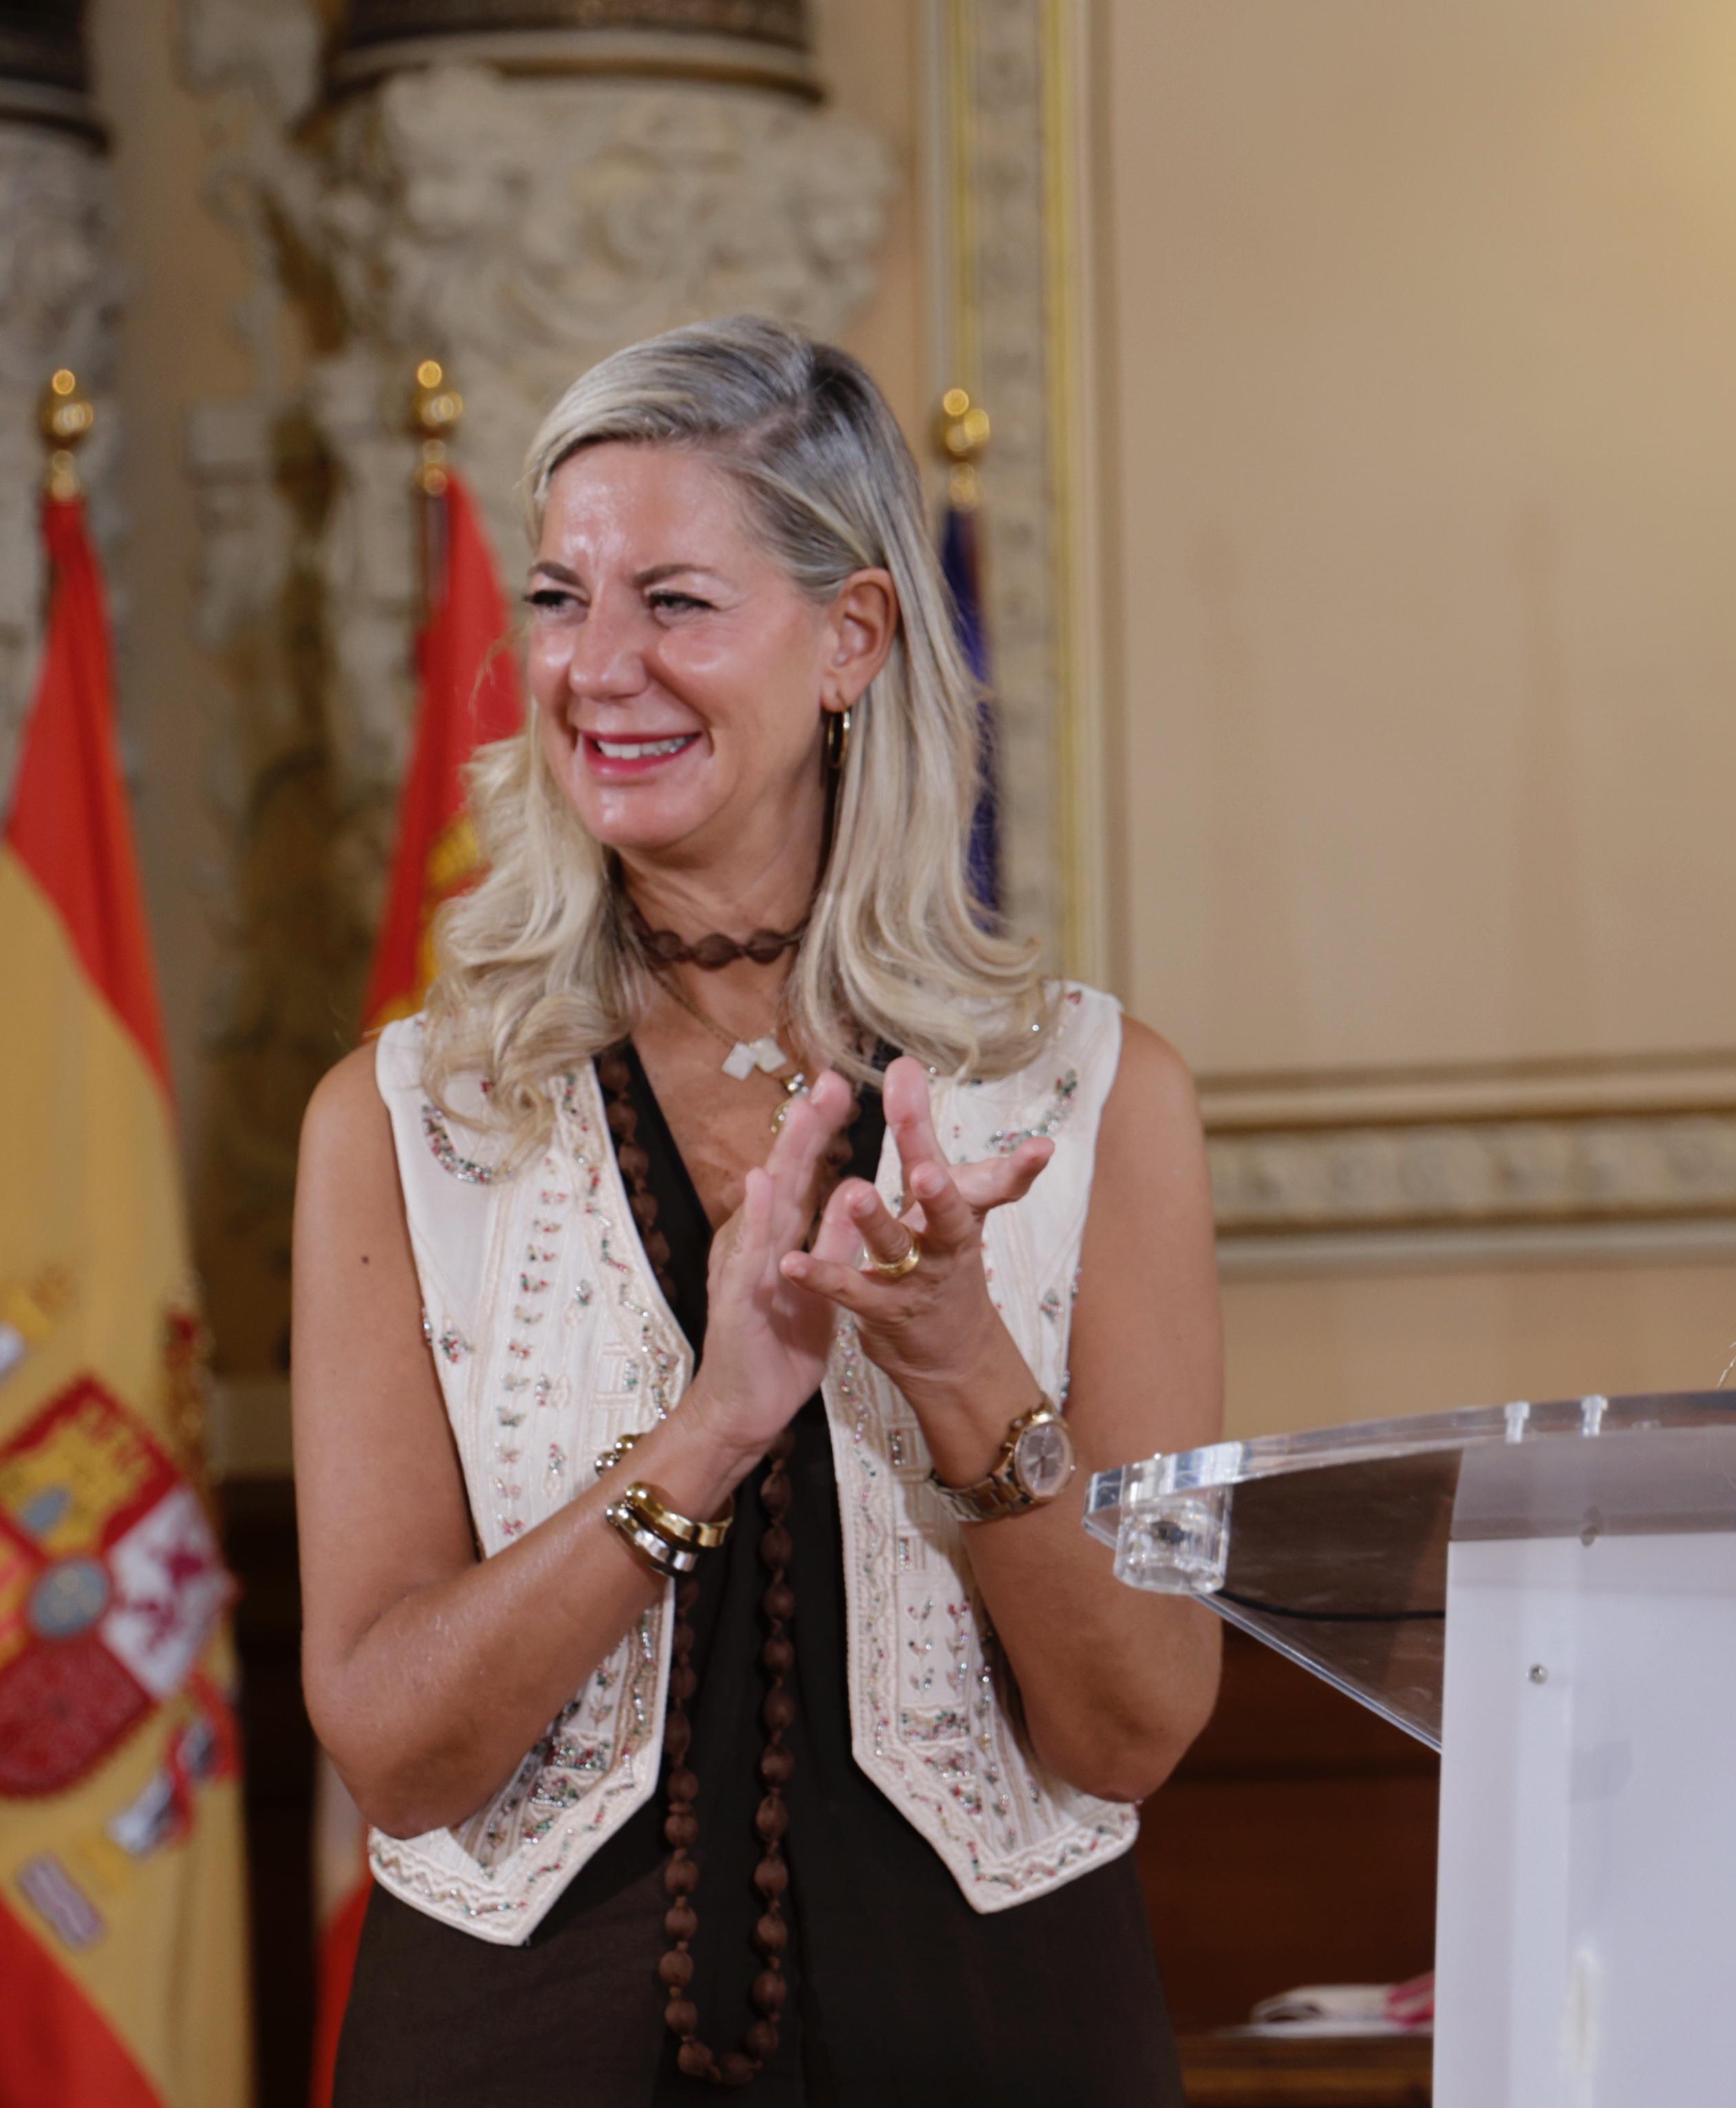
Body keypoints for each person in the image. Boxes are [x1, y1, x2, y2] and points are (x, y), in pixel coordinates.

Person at [290, 317, 1223, 2104]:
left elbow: (1132, 1728)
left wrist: (960, 1365)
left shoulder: (1098, 1098)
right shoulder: (405, 1120)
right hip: (515, 2054)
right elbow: (396, 1754)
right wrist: (704, 1434)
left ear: (851, 637)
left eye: (675, 602)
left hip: (995, 2042)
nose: (596, 667)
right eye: (560, 599)